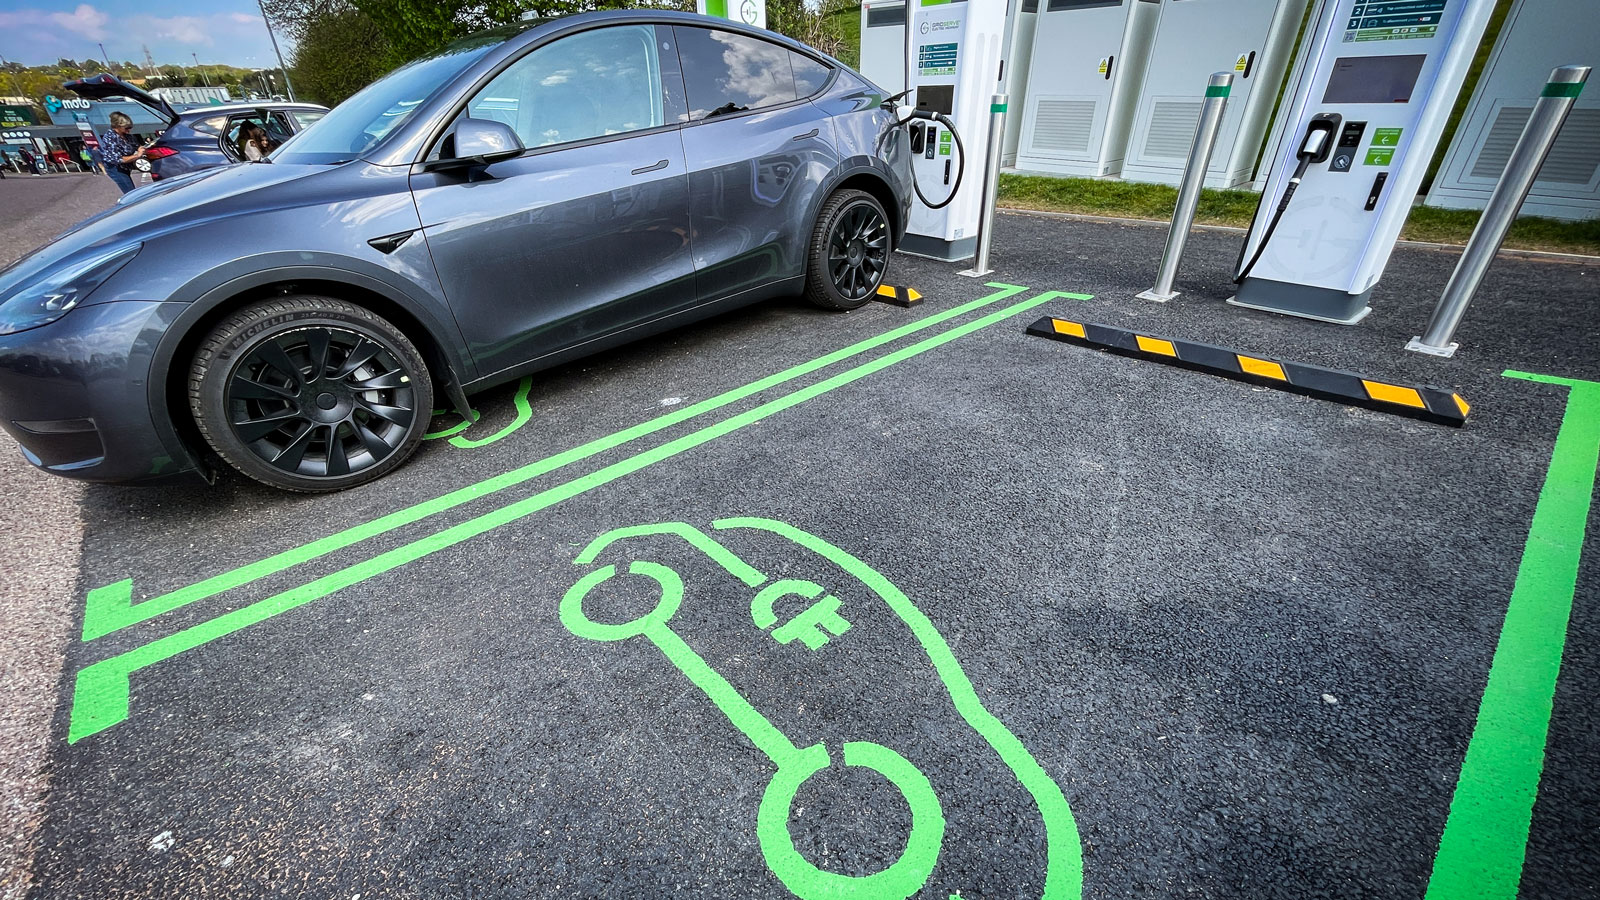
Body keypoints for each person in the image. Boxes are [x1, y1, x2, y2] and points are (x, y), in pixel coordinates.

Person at [99, 111, 146, 194]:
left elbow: (136, 145)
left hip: (126, 166)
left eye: (130, 127)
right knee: (131, 192)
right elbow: (118, 159)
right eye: (126, 128)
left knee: (132, 191)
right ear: (118, 126)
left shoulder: (127, 136)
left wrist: (142, 148)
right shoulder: (110, 137)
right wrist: (137, 155)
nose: (129, 130)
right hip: (115, 168)